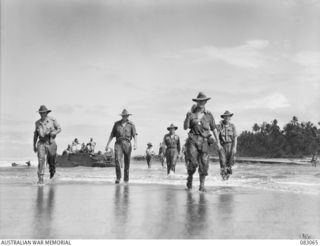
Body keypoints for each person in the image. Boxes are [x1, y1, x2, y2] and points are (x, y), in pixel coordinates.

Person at [183, 92, 222, 192]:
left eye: (203, 101)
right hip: (193, 140)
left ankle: (202, 185)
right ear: (197, 102)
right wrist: (187, 117)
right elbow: (185, 127)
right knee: (193, 163)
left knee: (204, 164)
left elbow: (214, 129)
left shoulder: (209, 115)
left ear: (205, 102)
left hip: (204, 141)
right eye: (199, 101)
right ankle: (190, 177)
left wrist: (218, 142)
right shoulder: (191, 114)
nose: (201, 103)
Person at [106, 109, 138, 184]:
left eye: (126, 115)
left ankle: (126, 180)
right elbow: (112, 134)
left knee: (127, 162)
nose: (125, 117)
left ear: (128, 116)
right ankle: (118, 178)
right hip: (118, 143)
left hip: (127, 143)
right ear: (122, 116)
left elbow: (134, 135)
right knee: (117, 159)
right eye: (123, 115)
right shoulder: (116, 124)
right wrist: (107, 144)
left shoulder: (131, 124)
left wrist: (135, 144)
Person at [33, 105, 61, 184]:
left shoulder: (52, 120)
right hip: (41, 142)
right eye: (41, 113)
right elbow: (35, 135)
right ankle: (41, 179)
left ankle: (52, 176)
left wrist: (54, 133)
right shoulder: (37, 123)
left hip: (51, 142)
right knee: (41, 159)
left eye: (43, 113)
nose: (42, 114)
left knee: (52, 161)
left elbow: (59, 128)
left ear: (46, 113)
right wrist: (34, 145)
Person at [218, 111, 237, 180]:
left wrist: (234, 147)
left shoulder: (232, 126)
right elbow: (217, 135)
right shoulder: (220, 126)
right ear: (223, 117)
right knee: (223, 163)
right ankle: (223, 179)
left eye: (228, 116)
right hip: (222, 146)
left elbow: (235, 137)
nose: (227, 117)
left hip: (230, 145)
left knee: (229, 164)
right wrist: (218, 145)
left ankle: (227, 179)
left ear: (230, 117)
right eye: (226, 116)